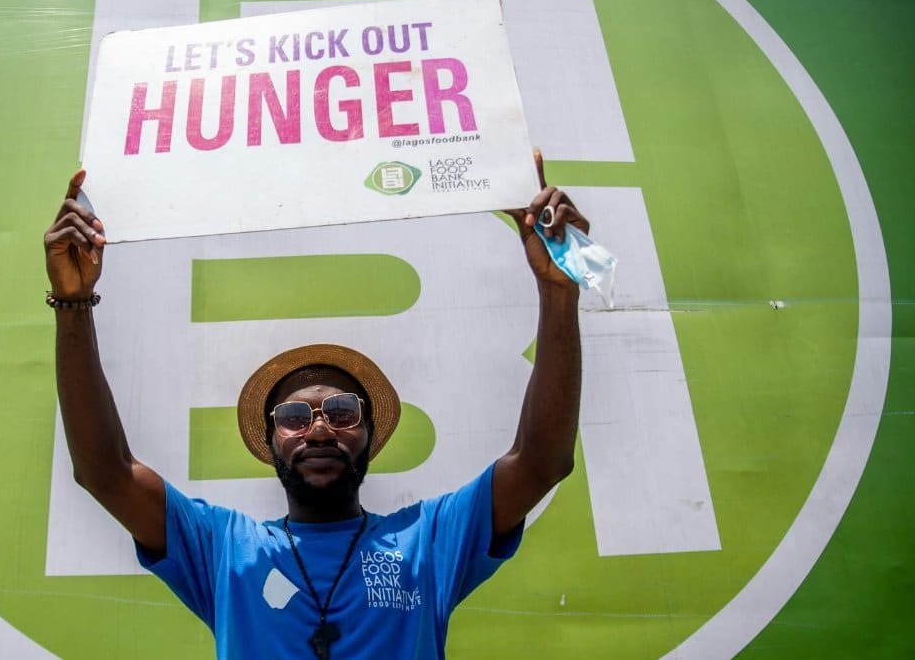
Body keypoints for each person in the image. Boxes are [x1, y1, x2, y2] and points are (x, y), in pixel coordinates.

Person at [43, 150, 586, 660]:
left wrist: (559, 294)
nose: (320, 430)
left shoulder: (429, 539)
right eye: (295, 417)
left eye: (343, 412)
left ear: (371, 435)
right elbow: (105, 474)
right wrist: (73, 303)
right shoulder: (224, 548)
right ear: (270, 440)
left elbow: (541, 463)